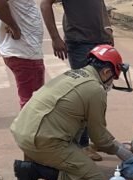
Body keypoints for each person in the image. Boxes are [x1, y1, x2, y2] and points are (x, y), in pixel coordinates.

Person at [10, 45, 133, 180]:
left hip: (22, 132)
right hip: (42, 140)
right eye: (113, 77)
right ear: (106, 72)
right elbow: (100, 137)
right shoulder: (95, 89)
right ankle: (34, 170)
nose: (111, 82)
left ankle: (35, 161)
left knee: (75, 137)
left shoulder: (71, 74)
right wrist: (125, 153)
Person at [41, 0, 114, 160]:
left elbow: (100, 9)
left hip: (101, 43)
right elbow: (45, 4)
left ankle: (97, 139)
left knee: (100, 95)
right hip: (81, 44)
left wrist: (109, 36)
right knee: (85, 95)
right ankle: (82, 144)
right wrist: (55, 38)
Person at [0, 0, 45, 109]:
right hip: (24, 51)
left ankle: (30, 124)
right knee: (32, 103)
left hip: (26, 50)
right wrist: (14, 28)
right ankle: (28, 125)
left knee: (35, 99)